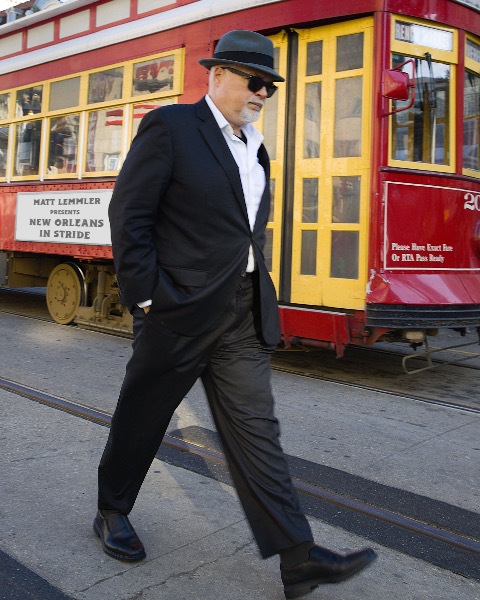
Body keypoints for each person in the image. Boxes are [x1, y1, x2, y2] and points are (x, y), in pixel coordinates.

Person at [94, 30, 377, 599]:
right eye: (255, 81)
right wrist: (149, 297)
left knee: (256, 431)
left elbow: (247, 232)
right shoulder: (171, 127)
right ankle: (112, 510)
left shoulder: (256, 148)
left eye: (270, 86)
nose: (263, 93)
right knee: (144, 415)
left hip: (241, 312)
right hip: (177, 310)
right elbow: (130, 213)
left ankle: (297, 558)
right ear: (218, 74)